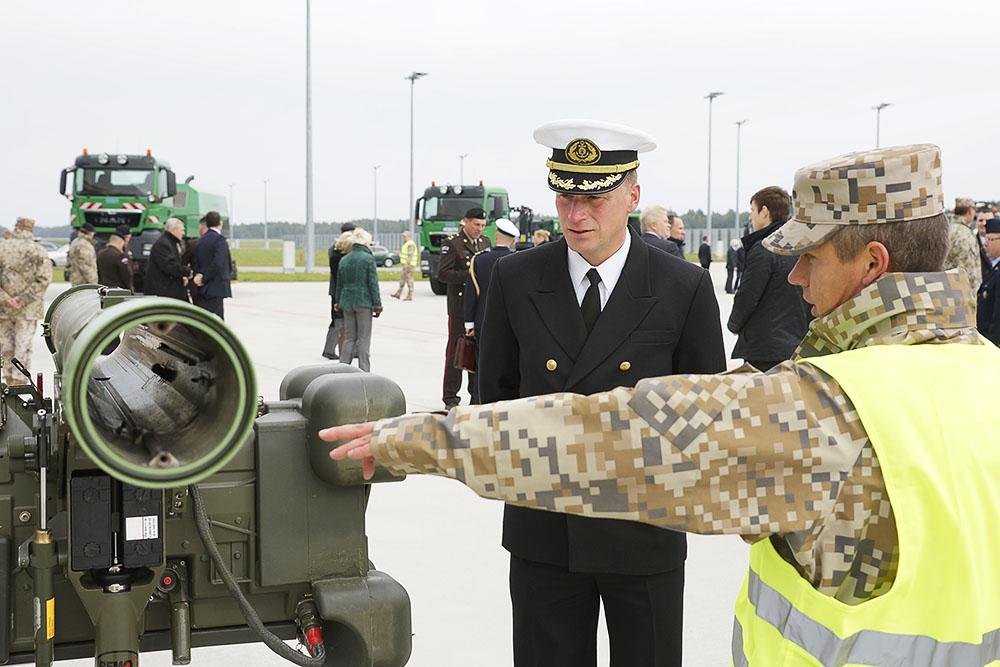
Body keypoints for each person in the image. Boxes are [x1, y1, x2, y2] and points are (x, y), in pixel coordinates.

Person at [324, 144, 1000, 666]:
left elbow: (601, 440)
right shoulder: (988, 375)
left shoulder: (823, 411)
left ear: (874, 264)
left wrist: (407, 441)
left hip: (638, 547)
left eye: (811, 258)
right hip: (547, 546)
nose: (793, 275)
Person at [474, 120, 724, 667]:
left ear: (633, 195)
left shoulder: (682, 285)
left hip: (644, 531)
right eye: (564, 196)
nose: (575, 214)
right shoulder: (515, 279)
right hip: (545, 530)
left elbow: (706, 414)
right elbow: (493, 401)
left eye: (595, 197)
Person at [727, 185, 811, 372]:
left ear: (764, 212)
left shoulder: (765, 248)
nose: (751, 217)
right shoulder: (801, 246)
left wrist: (734, 324)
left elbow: (747, 295)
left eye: (752, 211)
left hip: (765, 350)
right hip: (797, 345)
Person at [437, 207, 491, 408]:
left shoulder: (485, 242)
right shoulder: (453, 244)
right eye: (476, 224)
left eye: (483, 225)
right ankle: (450, 396)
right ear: (465, 222)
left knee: (478, 352)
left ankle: (475, 394)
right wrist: (470, 277)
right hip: (460, 307)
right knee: (456, 352)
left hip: (480, 307)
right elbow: (443, 273)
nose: (479, 229)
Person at [463, 218, 519, 403]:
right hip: (510, 323)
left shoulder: (479, 260)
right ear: (512, 241)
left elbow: (472, 293)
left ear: (495, 237)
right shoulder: (517, 261)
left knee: (482, 366)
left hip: (482, 321)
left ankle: (478, 402)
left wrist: (469, 323)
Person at [0, 217, 52, 385]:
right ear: (31, 230)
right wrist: (23, 299)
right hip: (27, 310)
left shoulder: (2, 247)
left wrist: (6, 298)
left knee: (6, 347)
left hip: (4, 309)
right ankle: (19, 384)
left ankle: (7, 383)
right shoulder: (38, 251)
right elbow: (44, 279)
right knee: (22, 348)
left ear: (16, 228)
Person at [335, 228, 382, 372]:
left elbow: (339, 283)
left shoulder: (345, 259)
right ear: (365, 242)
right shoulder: (368, 259)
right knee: (363, 338)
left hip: (346, 301)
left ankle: (342, 368)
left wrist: (338, 301)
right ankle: (364, 370)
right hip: (363, 302)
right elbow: (372, 283)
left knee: (350, 337)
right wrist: (377, 303)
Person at [325, 223, 357, 360]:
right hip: (338, 289)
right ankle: (329, 349)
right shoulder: (337, 249)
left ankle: (346, 349)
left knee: (343, 321)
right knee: (338, 321)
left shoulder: (336, 247)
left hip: (338, 288)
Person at [193, 211, 232, 319]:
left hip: (204, 288)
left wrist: (198, 276)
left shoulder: (201, 240)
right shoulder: (220, 240)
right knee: (216, 320)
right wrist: (204, 278)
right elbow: (218, 263)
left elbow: (197, 262)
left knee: (210, 317)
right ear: (220, 223)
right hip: (215, 286)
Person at [144, 218, 193, 300]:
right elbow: (169, 265)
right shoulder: (164, 244)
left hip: (168, 290)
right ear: (173, 230)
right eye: (182, 230)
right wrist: (187, 272)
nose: (183, 233)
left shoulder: (170, 242)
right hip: (163, 292)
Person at [943, 199, 983, 293]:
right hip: (963, 296)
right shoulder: (966, 235)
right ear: (970, 210)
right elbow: (969, 272)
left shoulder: (948, 230)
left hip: (947, 290)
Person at [976, 218, 1000, 345]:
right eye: (985, 239)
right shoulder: (994, 269)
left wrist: (991, 346)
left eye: (990, 239)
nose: (985, 243)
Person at [96, 226, 134, 292]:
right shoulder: (120, 256)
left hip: (105, 290)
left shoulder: (100, 253)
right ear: (120, 241)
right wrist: (131, 290)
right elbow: (127, 275)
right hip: (119, 291)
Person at [181, 217, 208, 307]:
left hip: (196, 285)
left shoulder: (193, 244)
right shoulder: (221, 243)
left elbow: (182, 262)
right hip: (214, 287)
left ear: (201, 228)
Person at [68, 222, 98, 286]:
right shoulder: (84, 245)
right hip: (84, 281)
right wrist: (92, 280)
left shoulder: (75, 241)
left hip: (75, 279)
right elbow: (84, 265)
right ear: (90, 233)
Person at [390, 230, 418, 301]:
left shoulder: (410, 244)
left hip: (409, 265)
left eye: (405, 236)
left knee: (409, 279)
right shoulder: (406, 243)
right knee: (402, 279)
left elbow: (410, 255)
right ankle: (398, 293)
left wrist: (407, 264)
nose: (404, 237)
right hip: (405, 264)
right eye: (403, 236)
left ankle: (410, 295)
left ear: (409, 236)